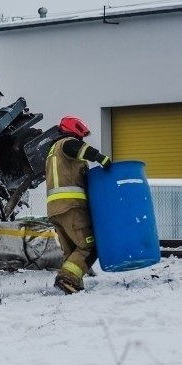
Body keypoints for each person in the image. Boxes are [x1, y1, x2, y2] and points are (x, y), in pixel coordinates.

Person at [46, 116, 111, 295]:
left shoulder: (52, 152)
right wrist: (100, 158)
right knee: (89, 246)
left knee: (72, 250)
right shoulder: (67, 143)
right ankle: (67, 278)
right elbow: (78, 148)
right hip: (71, 206)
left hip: (55, 209)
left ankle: (73, 285)